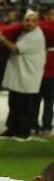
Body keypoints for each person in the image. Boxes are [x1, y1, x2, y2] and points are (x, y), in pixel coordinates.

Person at [0, 10, 45, 142]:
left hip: (28, 77)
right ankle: (12, 128)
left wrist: (1, 37)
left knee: (24, 106)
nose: (29, 23)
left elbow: (15, 48)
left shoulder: (35, 36)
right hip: (19, 76)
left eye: (33, 21)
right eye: (27, 20)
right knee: (14, 103)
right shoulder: (24, 33)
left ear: (37, 22)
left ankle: (24, 131)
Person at [41, 7, 54, 138]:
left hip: (51, 75)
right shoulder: (39, 31)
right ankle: (32, 125)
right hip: (37, 73)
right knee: (33, 101)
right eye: (50, 15)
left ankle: (46, 127)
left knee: (49, 102)